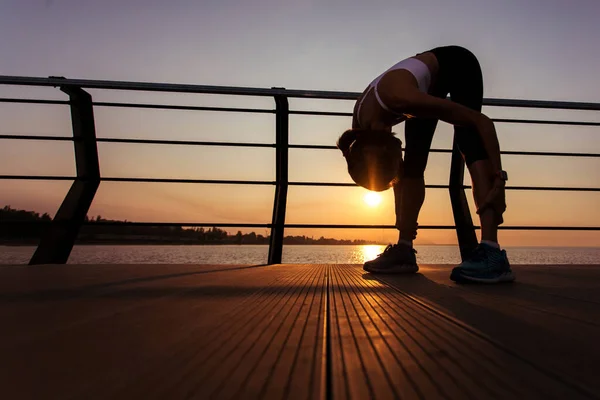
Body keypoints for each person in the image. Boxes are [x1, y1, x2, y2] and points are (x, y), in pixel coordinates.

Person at [337, 45, 515, 283]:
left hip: (458, 64)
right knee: (412, 165)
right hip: (422, 89)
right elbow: (393, 171)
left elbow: (483, 123)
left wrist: (499, 180)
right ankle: (404, 250)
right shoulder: (361, 132)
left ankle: (492, 252)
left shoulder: (400, 99)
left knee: (469, 140)